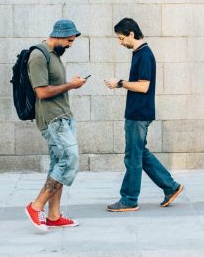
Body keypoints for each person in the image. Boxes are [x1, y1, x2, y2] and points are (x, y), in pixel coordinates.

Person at [104, 18, 184, 212]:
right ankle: (171, 187)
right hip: (137, 111)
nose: (120, 42)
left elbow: (144, 86)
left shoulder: (145, 55)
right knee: (140, 154)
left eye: (122, 38)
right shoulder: (139, 53)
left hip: (138, 113)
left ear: (132, 33)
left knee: (132, 157)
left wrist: (120, 82)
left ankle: (129, 199)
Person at [25, 20, 87, 231]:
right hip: (52, 119)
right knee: (70, 159)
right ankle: (37, 206)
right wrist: (71, 84)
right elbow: (41, 92)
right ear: (59, 35)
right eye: (69, 40)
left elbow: (54, 86)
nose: (70, 45)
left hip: (64, 116)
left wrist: (70, 83)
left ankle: (53, 215)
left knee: (59, 163)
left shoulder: (54, 55)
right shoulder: (38, 56)